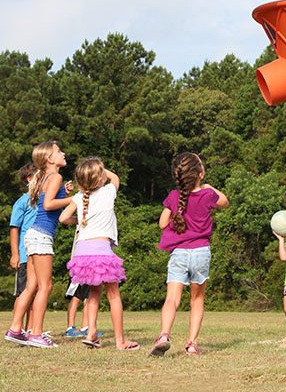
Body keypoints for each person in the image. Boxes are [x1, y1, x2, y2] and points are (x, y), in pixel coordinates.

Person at [150, 153, 229, 357]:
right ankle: (192, 344)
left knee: (172, 299)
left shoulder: (174, 197)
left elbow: (161, 223)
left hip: (179, 253)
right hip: (201, 252)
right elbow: (225, 202)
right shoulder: (207, 194)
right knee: (197, 300)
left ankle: (164, 335)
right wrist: (209, 186)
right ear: (200, 174)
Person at [59, 157, 138, 350]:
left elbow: (62, 218)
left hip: (82, 252)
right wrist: (101, 165)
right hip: (102, 251)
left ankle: (91, 332)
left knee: (93, 294)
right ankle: (120, 341)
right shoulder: (108, 191)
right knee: (113, 295)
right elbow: (115, 178)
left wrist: (80, 220)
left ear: (79, 182)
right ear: (101, 179)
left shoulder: (79, 198)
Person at [5, 141, 72, 348]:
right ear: (50, 159)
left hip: (34, 234)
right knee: (45, 286)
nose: (63, 153)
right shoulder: (56, 176)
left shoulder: (44, 177)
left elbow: (57, 214)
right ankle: (36, 334)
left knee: (32, 286)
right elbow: (49, 204)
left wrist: (77, 217)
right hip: (42, 235)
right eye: (59, 151)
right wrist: (75, 199)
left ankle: (15, 330)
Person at [7, 164, 37, 334]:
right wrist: (15, 254)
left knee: (35, 293)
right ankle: (16, 328)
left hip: (38, 254)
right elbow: (14, 228)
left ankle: (31, 330)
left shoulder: (42, 199)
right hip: (25, 254)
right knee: (23, 293)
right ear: (29, 179)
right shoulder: (22, 202)